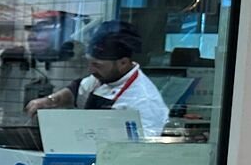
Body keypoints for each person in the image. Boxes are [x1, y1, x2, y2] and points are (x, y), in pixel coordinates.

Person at [24, 20, 168, 137]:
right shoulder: (106, 77)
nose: (91, 70)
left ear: (123, 63)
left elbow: (143, 151)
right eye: (90, 63)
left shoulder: (144, 102)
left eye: (97, 65)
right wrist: (49, 101)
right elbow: (76, 90)